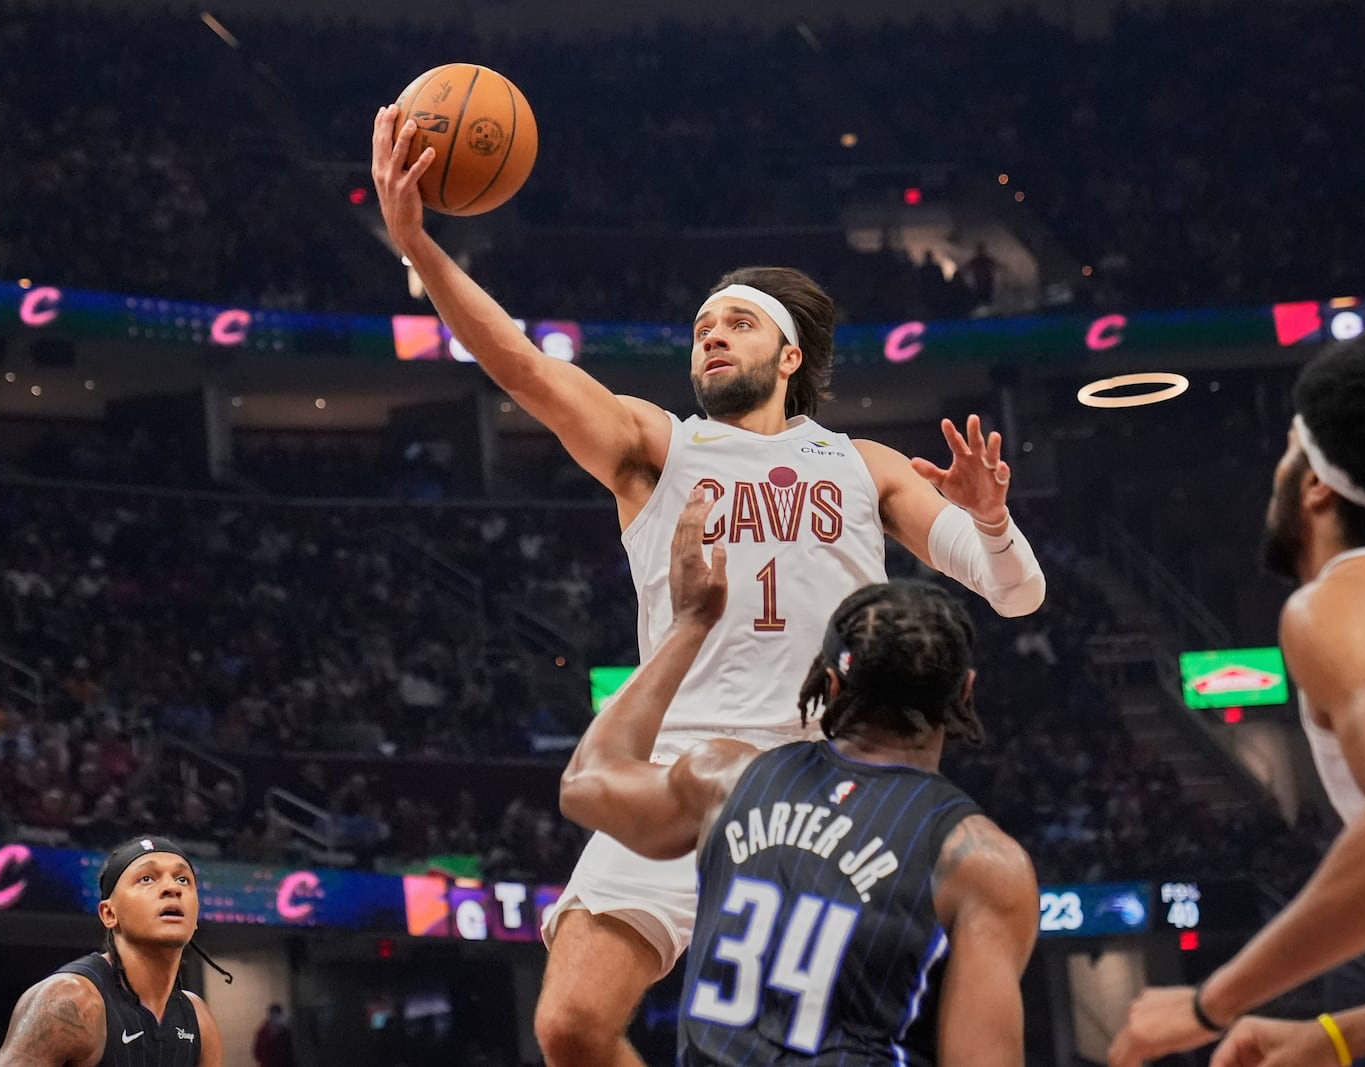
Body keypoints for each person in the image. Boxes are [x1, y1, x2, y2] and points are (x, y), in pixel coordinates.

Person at [372, 104, 1047, 1067]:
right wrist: (419, 249)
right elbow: (518, 365)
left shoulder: (866, 463)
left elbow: (1014, 594)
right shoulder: (658, 446)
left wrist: (990, 520)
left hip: (825, 783)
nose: (710, 339)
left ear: (790, 354)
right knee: (569, 1024)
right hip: (684, 764)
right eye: (700, 328)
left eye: (736, 323)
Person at [561, 491, 1039, 1064]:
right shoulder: (982, 863)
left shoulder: (731, 777)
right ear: (965, 691)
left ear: (831, 686)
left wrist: (689, 625)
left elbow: (587, 782)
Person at [1109, 334, 1365, 1067]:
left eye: (1285, 449)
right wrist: (1336, 1036)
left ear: (1315, 484)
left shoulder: (1345, 600)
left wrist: (1213, 1000)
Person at [0, 836, 228, 1066]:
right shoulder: (69, 1002)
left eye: (183, 880)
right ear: (109, 914)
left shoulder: (199, 1020)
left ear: (196, 913)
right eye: (147, 878)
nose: (172, 888)